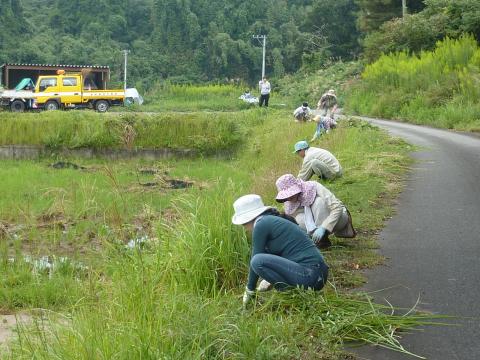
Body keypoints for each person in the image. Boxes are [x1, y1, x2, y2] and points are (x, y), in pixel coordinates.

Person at [232, 194, 329, 308]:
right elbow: (279, 257)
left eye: (243, 224)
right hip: (318, 275)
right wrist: (268, 279)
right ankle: (294, 296)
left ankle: (292, 297)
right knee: (259, 260)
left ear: (248, 219)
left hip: (310, 275)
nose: (245, 228)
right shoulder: (272, 220)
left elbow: (256, 257)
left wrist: (249, 290)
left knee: (257, 260)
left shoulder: (261, 224)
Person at [275, 174, 356, 249]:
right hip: (316, 228)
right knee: (298, 219)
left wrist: (324, 227)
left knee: (318, 202)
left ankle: (323, 237)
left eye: (291, 194)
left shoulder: (313, 186)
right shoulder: (289, 203)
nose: (289, 198)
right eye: (286, 196)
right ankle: (319, 240)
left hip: (338, 220)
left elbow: (337, 207)